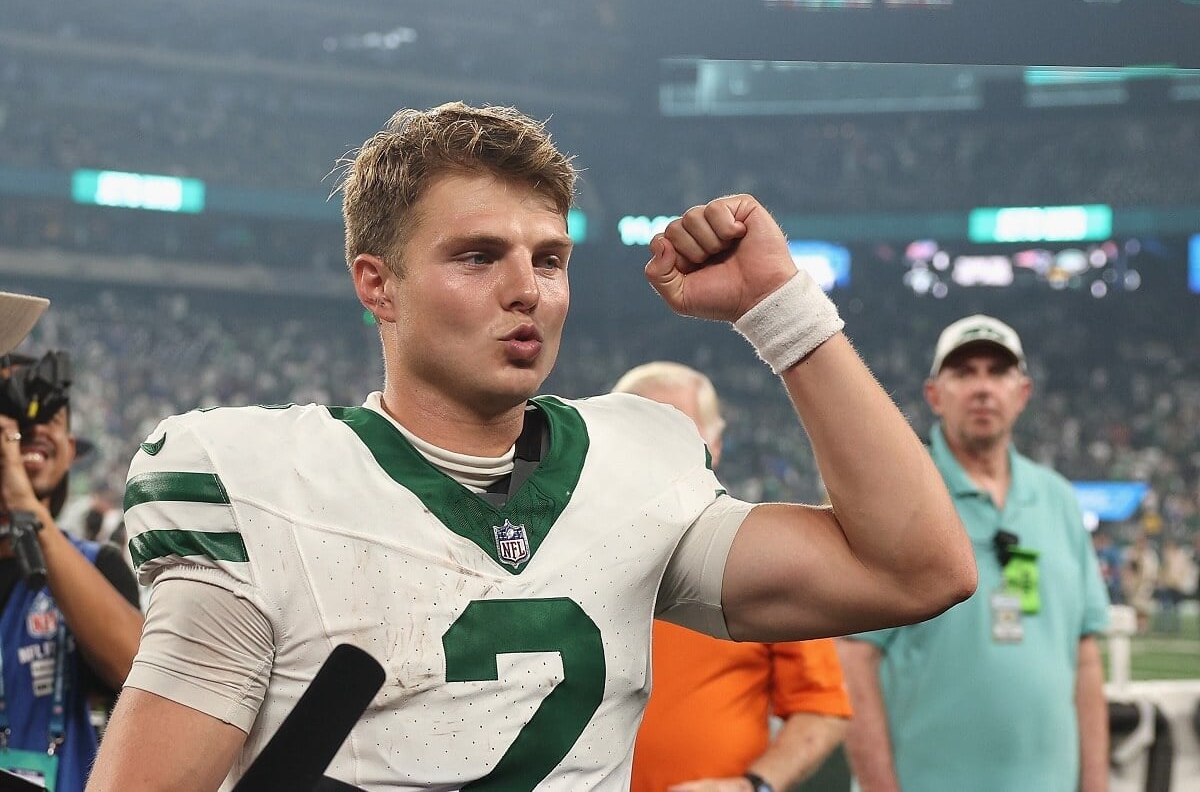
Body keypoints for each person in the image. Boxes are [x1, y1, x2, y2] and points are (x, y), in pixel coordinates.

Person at [88, 101, 974, 791]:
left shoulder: (640, 464)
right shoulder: (253, 481)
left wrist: (778, 306)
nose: (527, 290)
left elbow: (917, 571)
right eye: (477, 257)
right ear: (377, 284)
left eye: (549, 259)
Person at [837, 314, 1110, 792]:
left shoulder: (1058, 500)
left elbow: (1084, 657)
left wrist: (1096, 784)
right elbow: (855, 662)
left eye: (997, 372)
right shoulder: (899, 497)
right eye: (964, 373)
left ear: (1022, 393)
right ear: (934, 395)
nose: (982, 388)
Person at [614, 361, 851, 792]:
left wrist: (753, 785)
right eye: (636, 431)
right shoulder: (562, 552)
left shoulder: (763, 558)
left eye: (677, 430)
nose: (653, 448)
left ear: (714, 445)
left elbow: (822, 707)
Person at [0, 294, 144, 792]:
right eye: (18, 410)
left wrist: (21, 500)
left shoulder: (96, 564)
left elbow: (134, 670)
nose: (38, 427)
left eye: (55, 420)